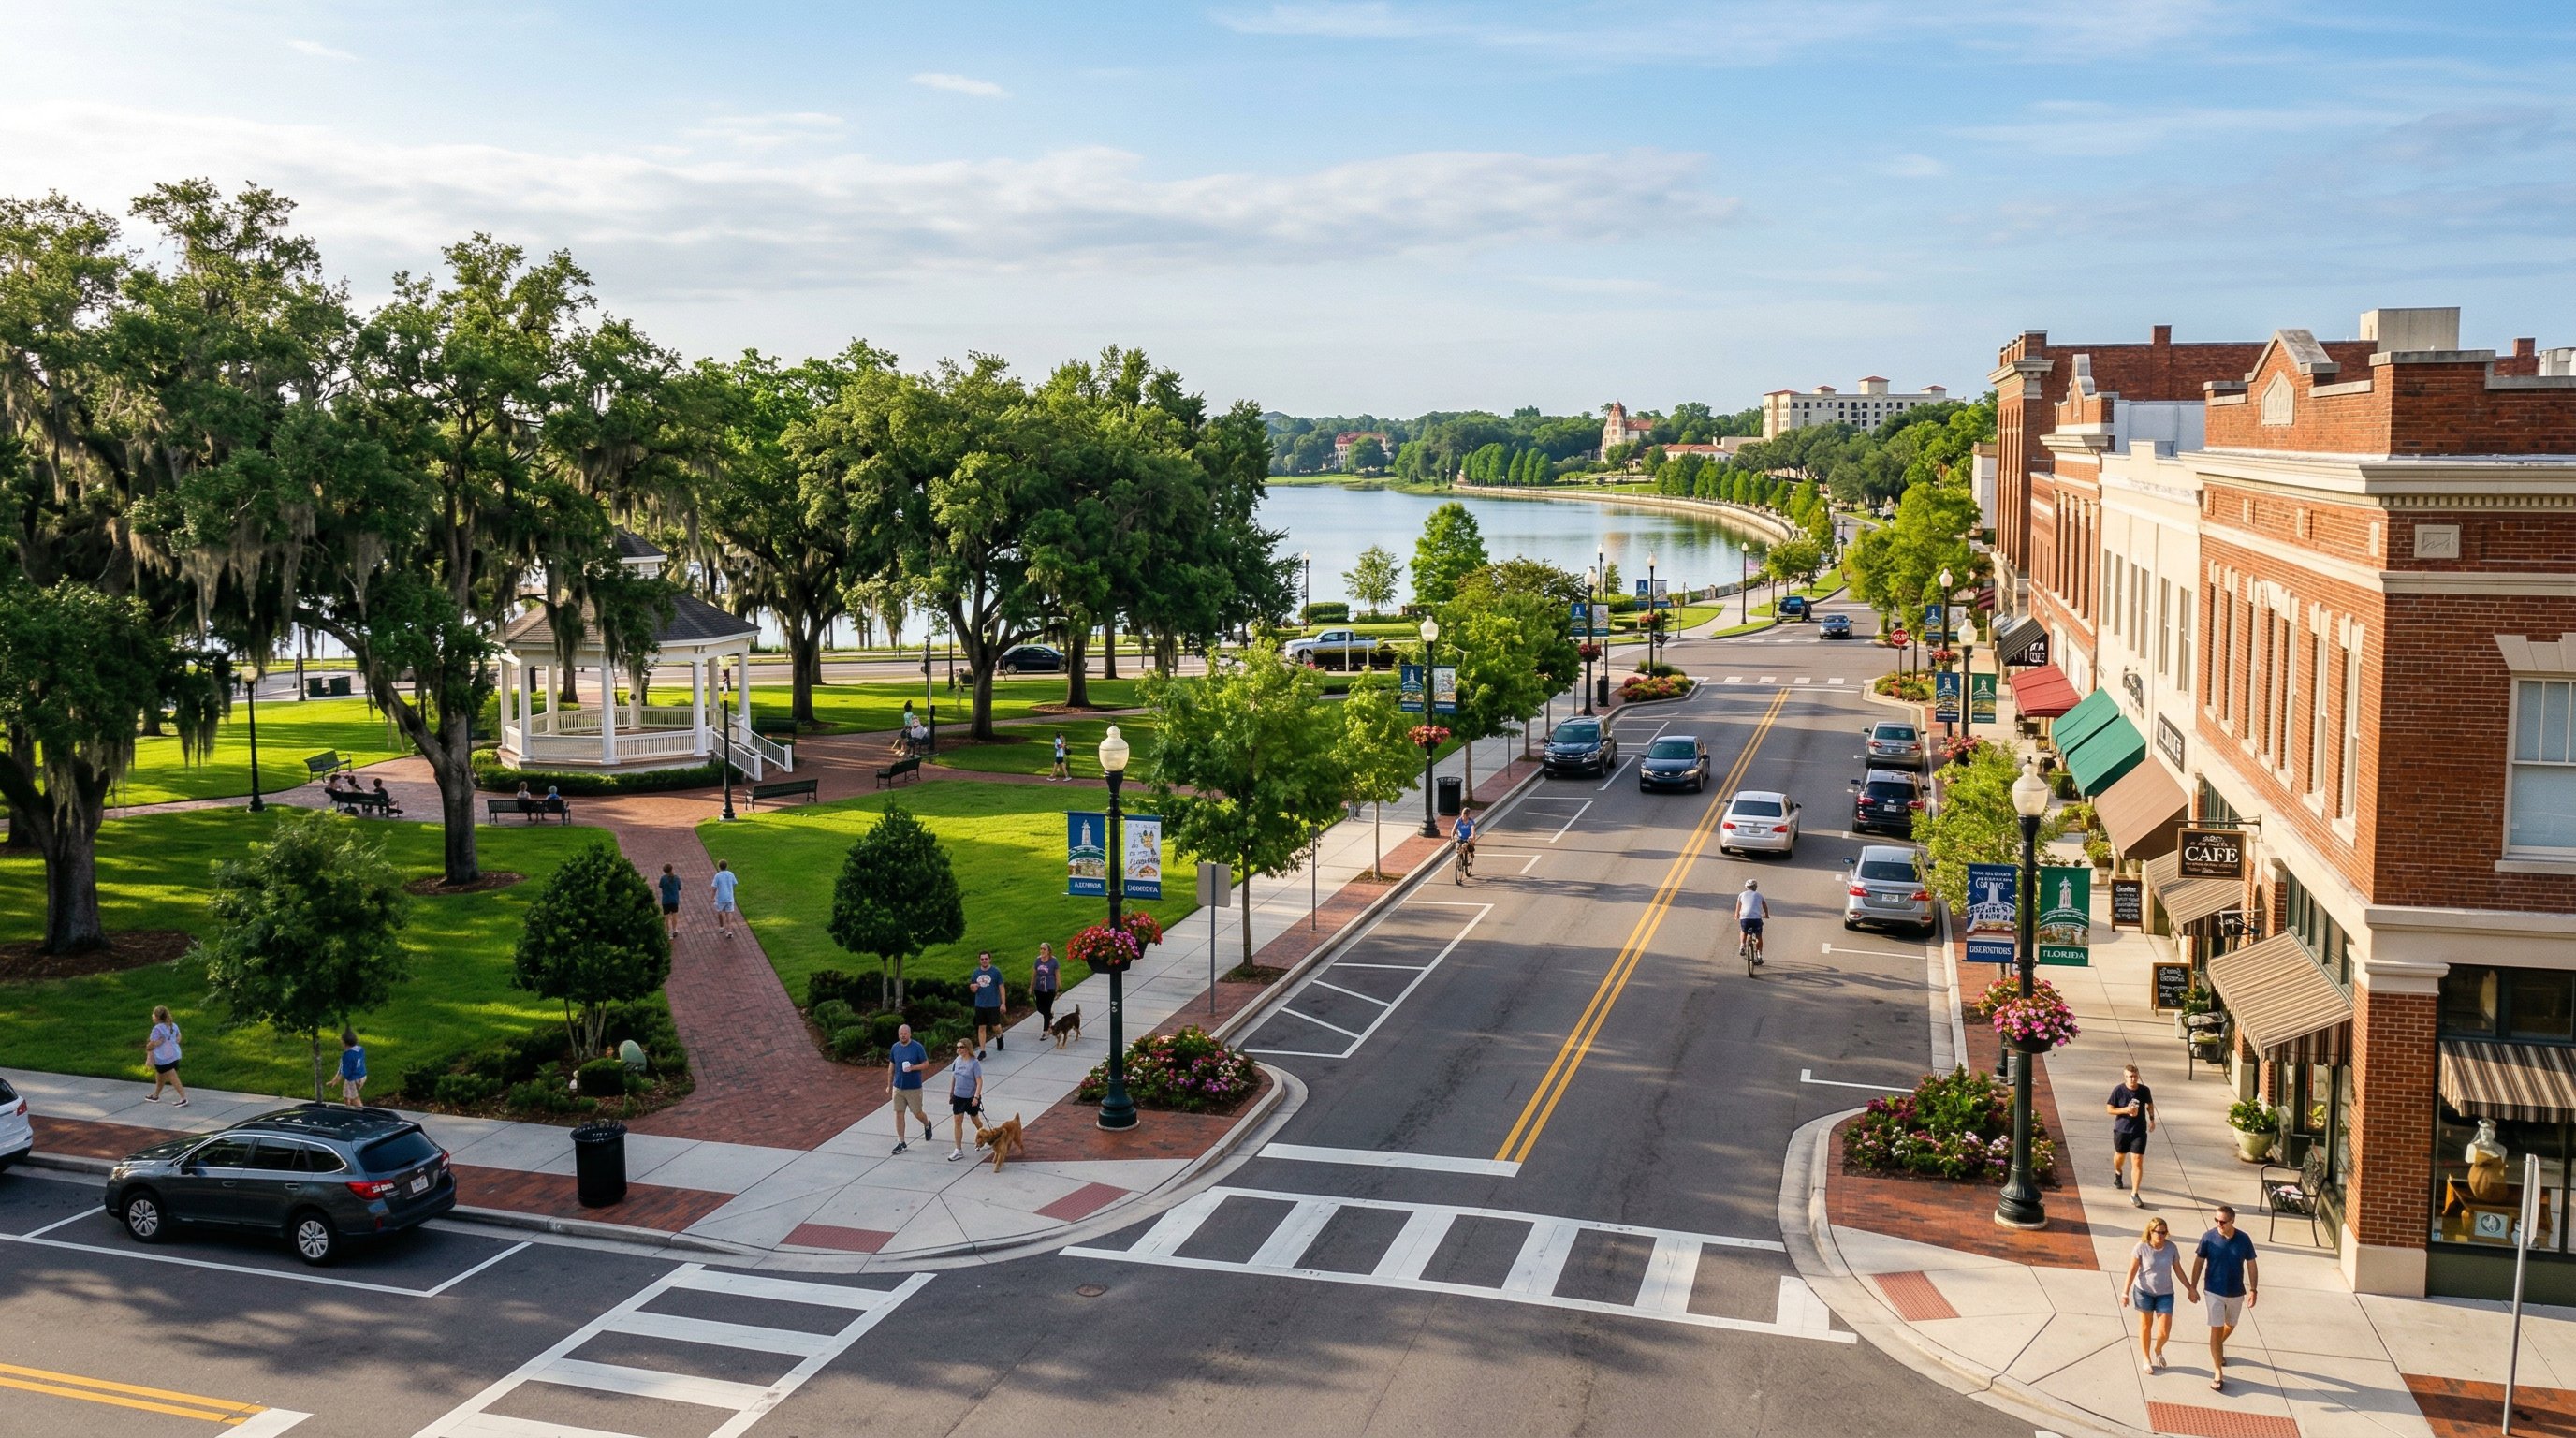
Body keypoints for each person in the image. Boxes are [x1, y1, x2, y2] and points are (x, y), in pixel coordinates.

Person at [2187, 1205, 2259, 1391]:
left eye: (2223, 1221)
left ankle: (2216, 1347)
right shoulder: (2208, 1238)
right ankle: (2218, 1372)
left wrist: (2254, 1290)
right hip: (2213, 1291)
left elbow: (2251, 1265)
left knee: (2231, 1325)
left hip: (2236, 1292)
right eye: (2216, 1220)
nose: (2219, 1224)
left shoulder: (2244, 1240)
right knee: (2216, 1330)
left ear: (2232, 1220)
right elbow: (2198, 1263)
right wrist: (2192, 1287)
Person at [2120, 1216, 2195, 1373]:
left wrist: (2190, 1288)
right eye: (2157, 1232)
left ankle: (2158, 1349)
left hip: (2165, 1294)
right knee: (2146, 1326)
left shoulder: (2171, 1248)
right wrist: (2125, 1292)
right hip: (2144, 1292)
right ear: (2150, 1232)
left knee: (2164, 1332)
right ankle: (2146, 1358)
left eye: (2163, 1232)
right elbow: (2132, 1270)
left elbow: (2178, 1270)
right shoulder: (2141, 1247)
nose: (2161, 1235)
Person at [2107, 1063, 2157, 1207]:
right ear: (2125, 1077)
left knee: (2137, 1160)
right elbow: (2109, 1109)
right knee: (2120, 1156)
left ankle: (2134, 1193)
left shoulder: (2144, 1090)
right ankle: (2118, 1172)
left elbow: (2150, 1104)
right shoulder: (2118, 1090)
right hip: (2122, 1130)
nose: (2132, 1079)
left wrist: (2152, 1120)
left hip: (2139, 1130)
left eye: (2134, 1076)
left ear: (2138, 1076)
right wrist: (2125, 1110)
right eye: (2129, 1077)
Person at [886, 1023, 933, 1153]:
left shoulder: (917, 1047)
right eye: (901, 1034)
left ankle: (927, 1124)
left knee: (917, 1113)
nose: (903, 1036)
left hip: (913, 1088)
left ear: (910, 1034)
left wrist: (913, 1067)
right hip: (898, 1088)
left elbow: (926, 1064)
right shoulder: (895, 1048)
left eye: (905, 1033)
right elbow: (891, 1067)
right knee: (899, 1113)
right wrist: (889, 1085)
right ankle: (901, 1142)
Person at [945, 1039, 984, 1161]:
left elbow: (979, 1081)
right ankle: (958, 1150)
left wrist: (976, 1097)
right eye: (958, 1047)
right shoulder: (957, 1061)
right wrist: (951, 1093)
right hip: (958, 1096)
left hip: (970, 1097)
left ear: (967, 1048)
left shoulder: (974, 1063)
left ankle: (985, 1137)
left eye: (961, 1047)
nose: (959, 1049)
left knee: (975, 1120)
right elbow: (954, 1077)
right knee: (958, 1121)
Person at [143, 1005, 188, 1107]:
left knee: (172, 1077)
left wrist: (149, 1047)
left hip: (164, 1058)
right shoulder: (173, 1025)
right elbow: (178, 1037)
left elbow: (151, 1044)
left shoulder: (157, 1029)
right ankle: (155, 1095)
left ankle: (183, 1098)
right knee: (160, 1074)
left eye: (153, 1014)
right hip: (175, 1055)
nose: (152, 1016)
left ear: (157, 1017)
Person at [970, 950, 1007, 1053]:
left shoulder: (996, 972)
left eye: (986, 959)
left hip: (993, 1004)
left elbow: (1001, 987)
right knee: (981, 1027)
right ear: (979, 960)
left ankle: (999, 1036)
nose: (984, 961)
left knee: (996, 1026)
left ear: (990, 959)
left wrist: (1003, 1003)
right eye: (982, 959)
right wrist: (973, 987)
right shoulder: (976, 973)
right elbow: (972, 988)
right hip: (980, 1005)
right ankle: (982, 1051)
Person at [1735, 880, 1768, 963]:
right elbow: (1764, 905)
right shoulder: (1759, 895)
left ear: (1746, 887)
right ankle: (1759, 955)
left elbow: (1738, 906)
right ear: (1755, 887)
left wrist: (1736, 915)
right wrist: (1766, 915)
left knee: (1743, 930)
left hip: (1745, 918)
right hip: (1756, 919)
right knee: (1758, 936)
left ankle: (1742, 945)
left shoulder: (1742, 895)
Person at [1031, 942, 1061, 1031]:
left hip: (1050, 988)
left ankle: (1046, 1031)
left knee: (1047, 1009)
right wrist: (1031, 987)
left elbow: (1057, 975)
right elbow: (1034, 975)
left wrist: (1059, 988)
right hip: (1039, 988)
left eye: (1044, 949)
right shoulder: (1038, 960)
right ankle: (1050, 1017)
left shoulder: (1054, 961)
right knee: (1040, 1008)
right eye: (1041, 949)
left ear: (1049, 951)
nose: (1042, 951)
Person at [337, 1028, 368, 1106]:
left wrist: (337, 1079)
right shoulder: (360, 1049)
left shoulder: (347, 1055)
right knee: (346, 1094)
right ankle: (348, 1110)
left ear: (344, 1043)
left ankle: (362, 1114)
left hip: (353, 1078)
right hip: (362, 1075)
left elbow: (345, 1071)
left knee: (355, 1098)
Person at [710, 859, 739, 938]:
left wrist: (712, 897)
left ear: (719, 867)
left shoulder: (718, 876)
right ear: (727, 866)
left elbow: (714, 887)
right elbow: (735, 883)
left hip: (720, 898)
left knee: (720, 912)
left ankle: (721, 926)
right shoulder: (731, 874)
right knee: (729, 913)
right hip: (729, 897)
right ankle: (729, 931)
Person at [658, 862, 683, 938]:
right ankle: (674, 930)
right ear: (672, 869)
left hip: (665, 900)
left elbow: (660, 886)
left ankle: (668, 932)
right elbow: (679, 888)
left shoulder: (663, 878)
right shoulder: (676, 878)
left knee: (666, 917)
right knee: (674, 915)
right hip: (674, 900)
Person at [1452, 809, 1478, 882]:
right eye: (1463, 815)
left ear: (1468, 815)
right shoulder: (1459, 821)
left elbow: (1473, 831)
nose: (1464, 817)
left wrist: (1472, 837)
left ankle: (1471, 853)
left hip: (1468, 839)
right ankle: (1460, 858)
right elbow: (1454, 829)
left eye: (1465, 815)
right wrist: (1452, 837)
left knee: (1469, 847)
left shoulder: (1471, 822)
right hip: (1460, 838)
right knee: (1458, 848)